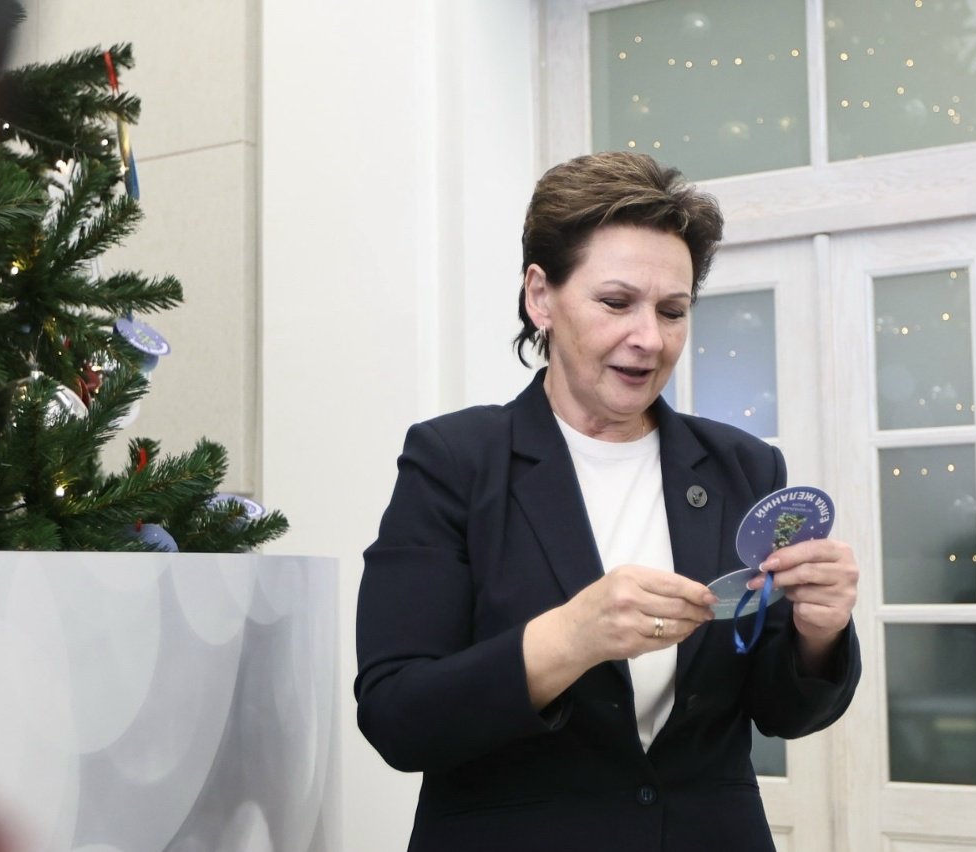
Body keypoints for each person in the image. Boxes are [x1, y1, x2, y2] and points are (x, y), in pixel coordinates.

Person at [355, 151, 861, 851]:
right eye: (617, 303)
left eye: (673, 311)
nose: (649, 338)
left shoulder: (743, 466)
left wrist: (819, 634)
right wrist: (572, 636)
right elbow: (398, 716)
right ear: (541, 296)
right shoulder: (454, 461)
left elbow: (784, 712)